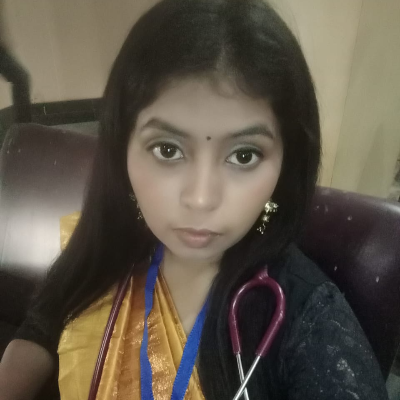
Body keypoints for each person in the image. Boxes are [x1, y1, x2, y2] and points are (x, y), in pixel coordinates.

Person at [0, 0, 389, 399]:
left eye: (243, 156)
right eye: (168, 150)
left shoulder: (307, 321)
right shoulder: (108, 245)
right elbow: (43, 323)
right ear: (121, 148)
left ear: (286, 164)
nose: (201, 199)